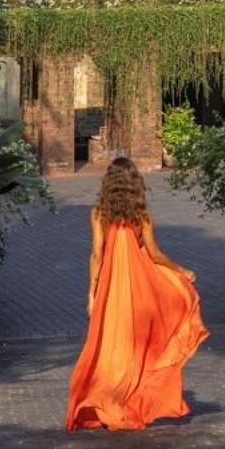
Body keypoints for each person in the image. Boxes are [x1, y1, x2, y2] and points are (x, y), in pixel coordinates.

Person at [65, 156, 209, 430]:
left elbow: (96, 255)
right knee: (137, 345)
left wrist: (92, 294)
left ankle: (108, 400)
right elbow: (154, 254)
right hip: (139, 286)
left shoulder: (98, 213)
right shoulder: (142, 215)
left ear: (109, 183)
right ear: (135, 184)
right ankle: (131, 401)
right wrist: (181, 270)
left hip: (110, 289)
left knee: (109, 347)